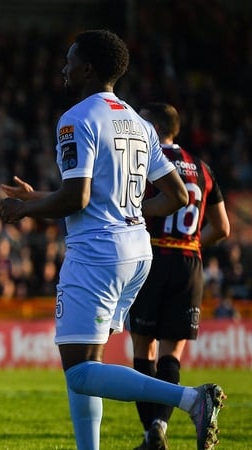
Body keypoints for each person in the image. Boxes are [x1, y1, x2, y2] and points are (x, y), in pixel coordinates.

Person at [0, 29, 226, 450]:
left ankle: (192, 400)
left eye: (70, 60)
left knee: (79, 371)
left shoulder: (77, 118)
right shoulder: (138, 122)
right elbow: (177, 196)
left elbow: (77, 197)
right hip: (136, 249)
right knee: (89, 362)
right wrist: (129, 211)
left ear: (87, 68)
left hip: (97, 254)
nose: (64, 68)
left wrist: (25, 209)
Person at [128, 102, 231, 450]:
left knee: (144, 347)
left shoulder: (146, 160)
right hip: (189, 262)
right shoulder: (202, 168)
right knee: (172, 353)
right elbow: (223, 228)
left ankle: (151, 434)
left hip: (152, 256)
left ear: (154, 128)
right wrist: (191, 241)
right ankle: (160, 424)